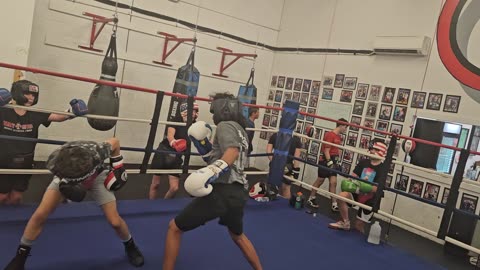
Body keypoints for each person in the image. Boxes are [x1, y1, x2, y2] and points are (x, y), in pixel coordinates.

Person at [3, 137, 144, 269]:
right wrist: (67, 181)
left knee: (115, 222)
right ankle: (20, 257)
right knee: (40, 214)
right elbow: (62, 176)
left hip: (97, 178)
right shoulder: (59, 162)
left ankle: (130, 245)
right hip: (66, 178)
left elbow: (115, 142)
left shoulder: (97, 152)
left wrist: (117, 167)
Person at [162, 92, 263, 270]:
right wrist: (204, 146)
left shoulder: (224, 125)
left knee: (174, 228)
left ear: (221, 108)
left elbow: (232, 152)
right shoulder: (242, 131)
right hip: (239, 193)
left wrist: (211, 171)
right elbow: (222, 156)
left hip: (222, 192)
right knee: (238, 236)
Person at [0, 80, 88, 205]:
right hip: (3, 160)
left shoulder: (35, 114)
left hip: (24, 162)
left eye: (34, 95)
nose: (31, 98)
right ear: (17, 93)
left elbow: (57, 117)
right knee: (2, 197)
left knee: (16, 197)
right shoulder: (3, 110)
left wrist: (72, 112)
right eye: (28, 94)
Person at [328, 138, 387, 232]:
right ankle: (345, 222)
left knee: (358, 226)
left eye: (375, 149)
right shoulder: (364, 162)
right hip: (357, 192)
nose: (371, 151)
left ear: (381, 151)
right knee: (341, 196)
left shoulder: (383, 168)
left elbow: (377, 189)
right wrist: (348, 180)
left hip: (370, 198)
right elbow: (352, 177)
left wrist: (361, 185)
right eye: (371, 149)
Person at [149, 102, 199, 199]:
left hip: (177, 156)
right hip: (163, 152)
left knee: (174, 188)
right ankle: (151, 206)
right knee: (155, 185)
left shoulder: (195, 125)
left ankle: (163, 205)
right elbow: (170, 134)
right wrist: (174, 143)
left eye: (195, 111)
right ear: (185, 111)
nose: (193, 113)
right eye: (191, 111)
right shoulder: (176, 120)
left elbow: (201, 138)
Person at [307, 118, 348, 211]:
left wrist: (338, 162)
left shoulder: (338, 136)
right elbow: (326, 150)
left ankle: (334, 204)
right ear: (341, 125)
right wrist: (329, 162)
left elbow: (336, 150)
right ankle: (311, 198)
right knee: (320, 181)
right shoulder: (330, 135)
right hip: (326, 160)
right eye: (345, 127)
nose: (346, 129)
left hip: (333, 160)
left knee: (333, 182)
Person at [266, 126, 304, 199]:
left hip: (275, 165)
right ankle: (284, 208)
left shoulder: (275, 135)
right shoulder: (296, 139)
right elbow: (296, 157)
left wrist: (275, 162)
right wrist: (296, 171)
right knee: (286, 188)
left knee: (273, 186)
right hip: (288, 166)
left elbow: (268, 152)